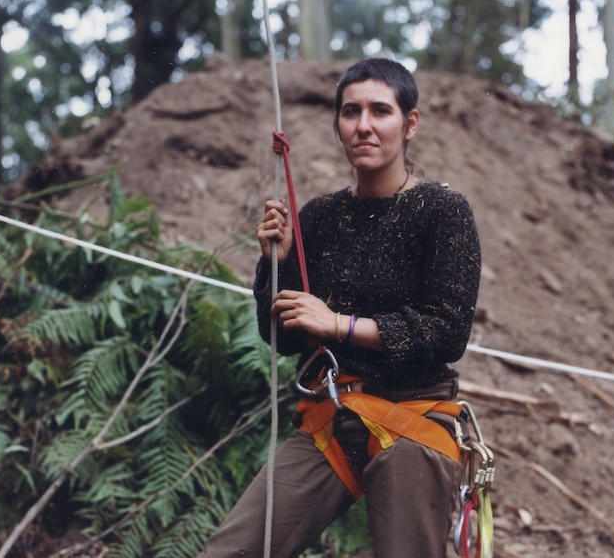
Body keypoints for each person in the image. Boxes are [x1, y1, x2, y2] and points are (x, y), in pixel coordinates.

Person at [198, 58, 481, 558]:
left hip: (416, 417)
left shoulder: (442, 210)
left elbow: (446, 331)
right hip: (335, 415)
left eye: (380, 111)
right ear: (338, 125)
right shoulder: (322, 217)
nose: (364, 125)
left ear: (409, 123)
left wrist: (339, 325)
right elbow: (286, 341)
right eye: (351, 112)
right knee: (233, 551)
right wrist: (274, 267)